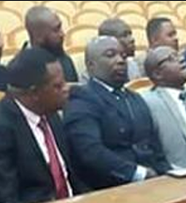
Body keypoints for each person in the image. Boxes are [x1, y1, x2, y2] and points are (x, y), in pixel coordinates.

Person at [0, 48, 84, 203]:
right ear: (34, 93)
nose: (67, 89)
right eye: (58, 86)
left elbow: (74, 176)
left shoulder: (50, 113)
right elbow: (7, 199)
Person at [62, 37, 170, 190]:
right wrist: (138, 173)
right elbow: (90, 152)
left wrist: (167, 176)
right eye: (110, 55)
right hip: (110, 188)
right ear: (91, 65)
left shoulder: (135, 98)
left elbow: (155, 147)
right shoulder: (82, 98)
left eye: (123, 56)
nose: (120, 60)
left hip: (153, 183)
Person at [24, 6, 79, 83]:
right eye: (56, 30)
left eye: (60, 27)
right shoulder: (21, 70)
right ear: (38, 36)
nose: (62, 34)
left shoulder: (65, 59)